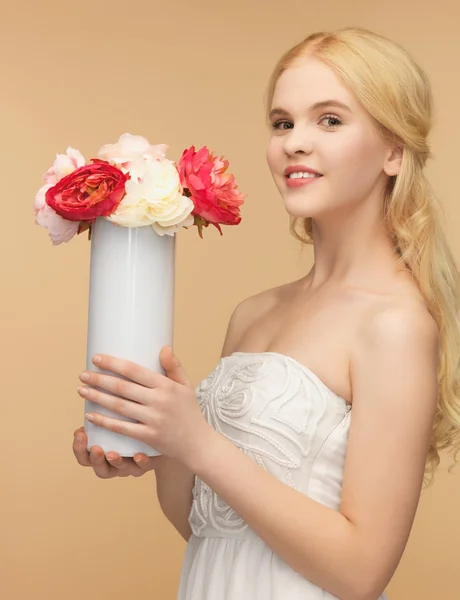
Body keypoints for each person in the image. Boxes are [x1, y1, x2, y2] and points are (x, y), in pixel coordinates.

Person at [73, 26, 460, 600]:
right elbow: (206, 527)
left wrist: (200, 442)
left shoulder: (395, 324)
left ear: (394, 151)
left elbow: (361, 573)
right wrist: (162, 445)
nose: (294, 143)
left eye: (329, 120)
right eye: (283, 122)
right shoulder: (254, 313)